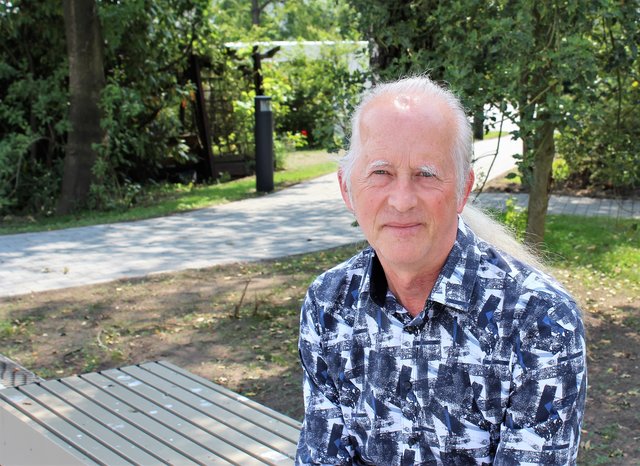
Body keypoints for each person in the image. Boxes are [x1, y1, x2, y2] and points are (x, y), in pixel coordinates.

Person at [295, 76, 586, 465]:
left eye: (426, 174)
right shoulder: (328, 304)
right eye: (380, 172)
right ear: (347, 188)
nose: (401, 201)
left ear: (464, 189)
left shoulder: (541, 322)